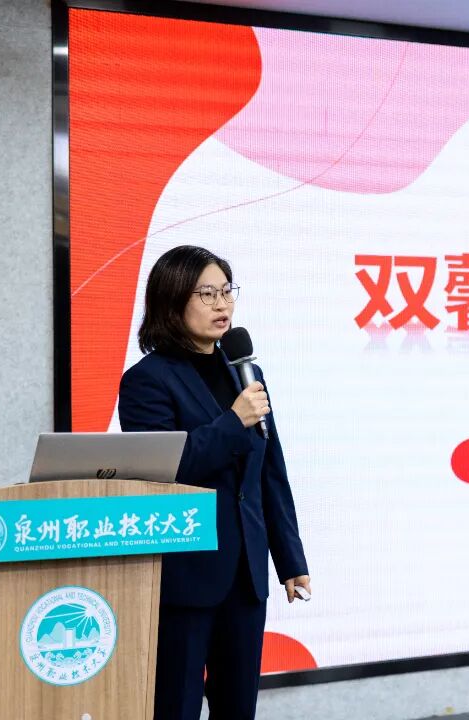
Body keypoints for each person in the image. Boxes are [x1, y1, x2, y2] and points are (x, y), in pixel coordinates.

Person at [117, 245, 310, 720]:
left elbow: (270, 471)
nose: (222, 304)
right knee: (175, 707)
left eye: (227, 291)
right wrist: (232, 422)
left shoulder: (247, 373)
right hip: (184, 575)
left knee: (238, 707)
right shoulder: (147, 381)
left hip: (246, 575)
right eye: (207, 294)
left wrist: (290, 560)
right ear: (172, 300)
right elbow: (162, 470)